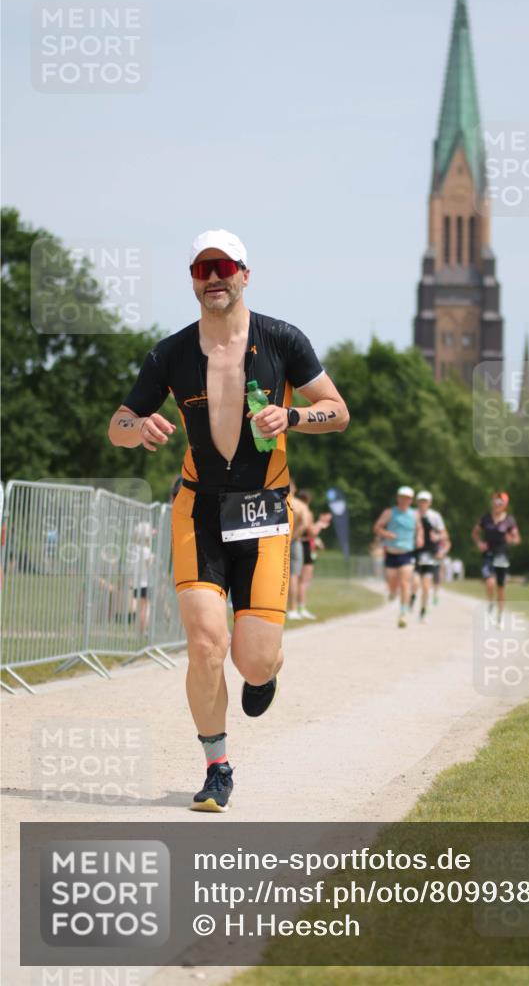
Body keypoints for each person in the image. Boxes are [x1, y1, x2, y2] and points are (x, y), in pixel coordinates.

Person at [108, 228, 349, 811]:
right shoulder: (170, 353)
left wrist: (290, 416)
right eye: (202, 269)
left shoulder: (283, 339)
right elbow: (117, 423)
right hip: (198, 508)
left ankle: (266, 672)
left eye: (224, 267)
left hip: (265, 509)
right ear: (192, 279)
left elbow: (337, 413)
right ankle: (217, 766)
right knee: (205, 643)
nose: (213, 277)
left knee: (252, 657)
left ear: (245, 274)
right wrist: (138, 428)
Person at [374, 487, 424, 628]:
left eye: (407, 498)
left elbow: (419, 528)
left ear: (411, 500)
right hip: (391, 553)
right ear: (398, 498)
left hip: (407, 553)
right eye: (402, 497)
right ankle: (392, 592)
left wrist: (420, 537)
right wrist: (386, 534)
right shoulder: (389, 512)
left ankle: (403, 613)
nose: (404, 500)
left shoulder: (414, 514)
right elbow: (377, 527)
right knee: (392, 583)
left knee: (405, 583)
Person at [471, 491, 521, 624]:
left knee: (500, 588)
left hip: (502, 556)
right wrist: (479, 543)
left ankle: (500, 614)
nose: (497, 504)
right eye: (495, 502)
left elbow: (517, 539)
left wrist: (511, 539)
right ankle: (490, 602)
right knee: (489, 582)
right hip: (488, 554)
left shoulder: (509, 520)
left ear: (505, 505)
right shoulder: (486, 518)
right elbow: (475, 532)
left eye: (500, 502)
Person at [294, 490, 332, 620]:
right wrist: (321, 524)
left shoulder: (293, 510)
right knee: (304, 581)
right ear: (308, 500)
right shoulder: (306, 512)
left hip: (300, 544)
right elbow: (312, 532)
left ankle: (298, 608)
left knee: (298, 580)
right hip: (305, 547)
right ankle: (301, 608)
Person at [412, 491, 449, 620]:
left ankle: (423, 610)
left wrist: (438, 536)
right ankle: (412, 597)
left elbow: (445, 535)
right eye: (421, 500)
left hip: (430, 554)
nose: (423, 503)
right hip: (415, 552)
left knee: (426, 586)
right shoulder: (412, 514)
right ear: (417, 502)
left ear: (430, 502)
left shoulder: (435, 516)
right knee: (415, 583)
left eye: (425, 501)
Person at [286, 482, 308, 622]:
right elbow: (305, 524)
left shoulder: (279, 501)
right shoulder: (300, 505)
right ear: (295, 489)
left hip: (278, 541)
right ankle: (293, 609)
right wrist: (294, 537)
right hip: (294, 543)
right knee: (293, 576)